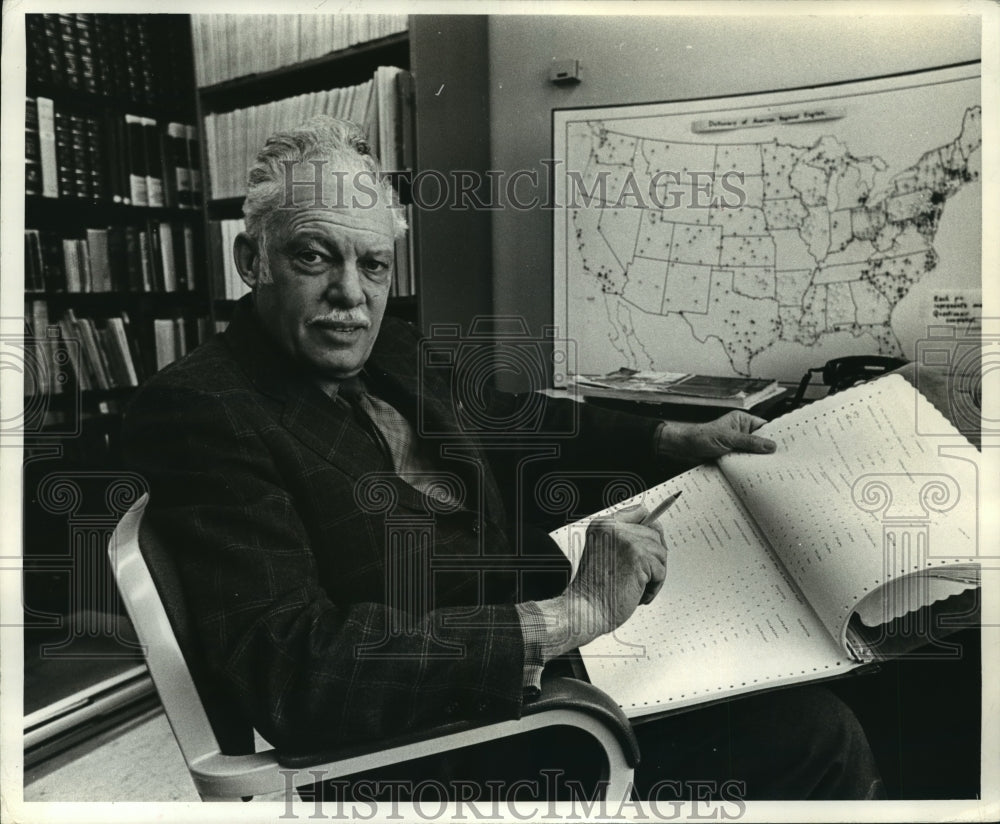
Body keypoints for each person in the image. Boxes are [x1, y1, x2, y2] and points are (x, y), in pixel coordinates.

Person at [122, 115, 883, 801]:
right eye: (314, 257)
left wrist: (666, 439)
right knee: (814, 736)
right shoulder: (205, 409)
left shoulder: (389, 345)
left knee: (857, 665)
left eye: (375, 265)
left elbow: (510, 420)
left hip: (535, 667)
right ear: (251, 259)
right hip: (436, 742)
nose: (350, 295)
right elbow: (296, 669)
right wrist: (566, 617)